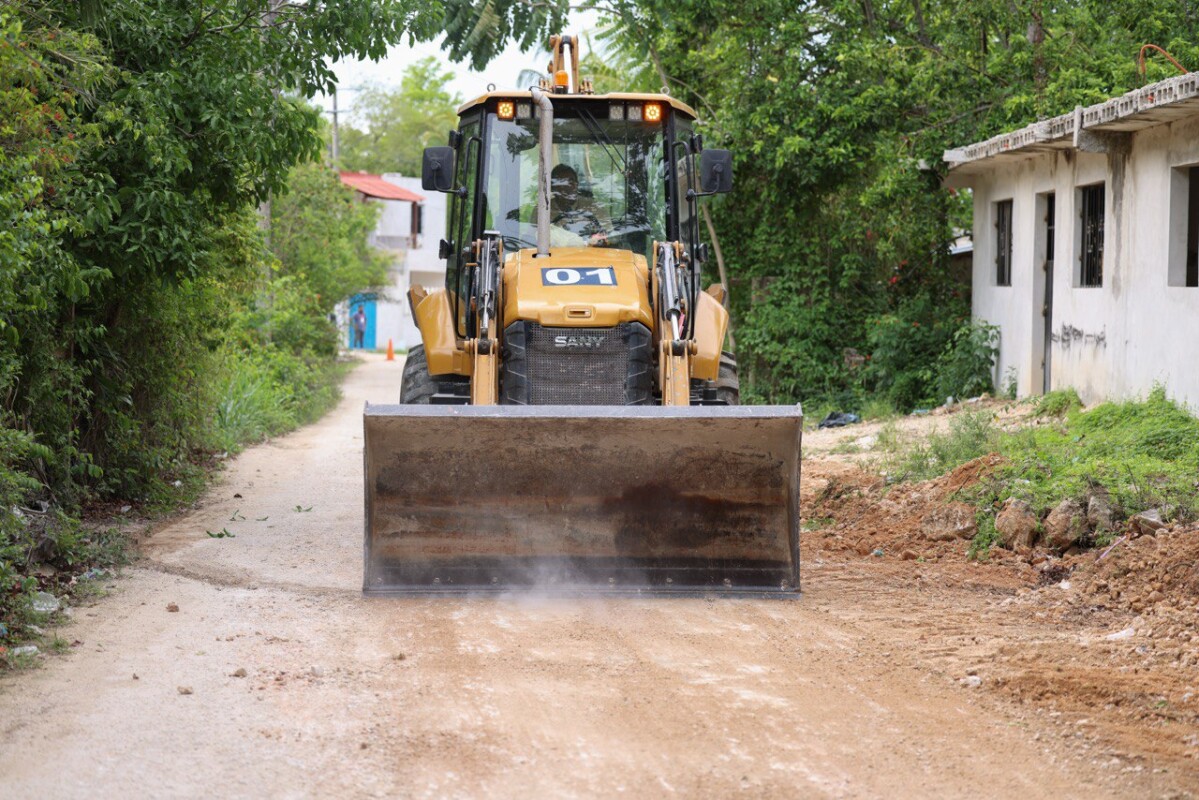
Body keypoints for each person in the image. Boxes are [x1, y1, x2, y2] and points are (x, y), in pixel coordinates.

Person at [550, 164, 607, 245]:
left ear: (577, 184)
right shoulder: (542, 211)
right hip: (554, 256)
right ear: (552, 187)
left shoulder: (595, 207)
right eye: (562, 182)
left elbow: (610, 237)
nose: (568, 186)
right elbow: (533, 241)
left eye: (571, 181)